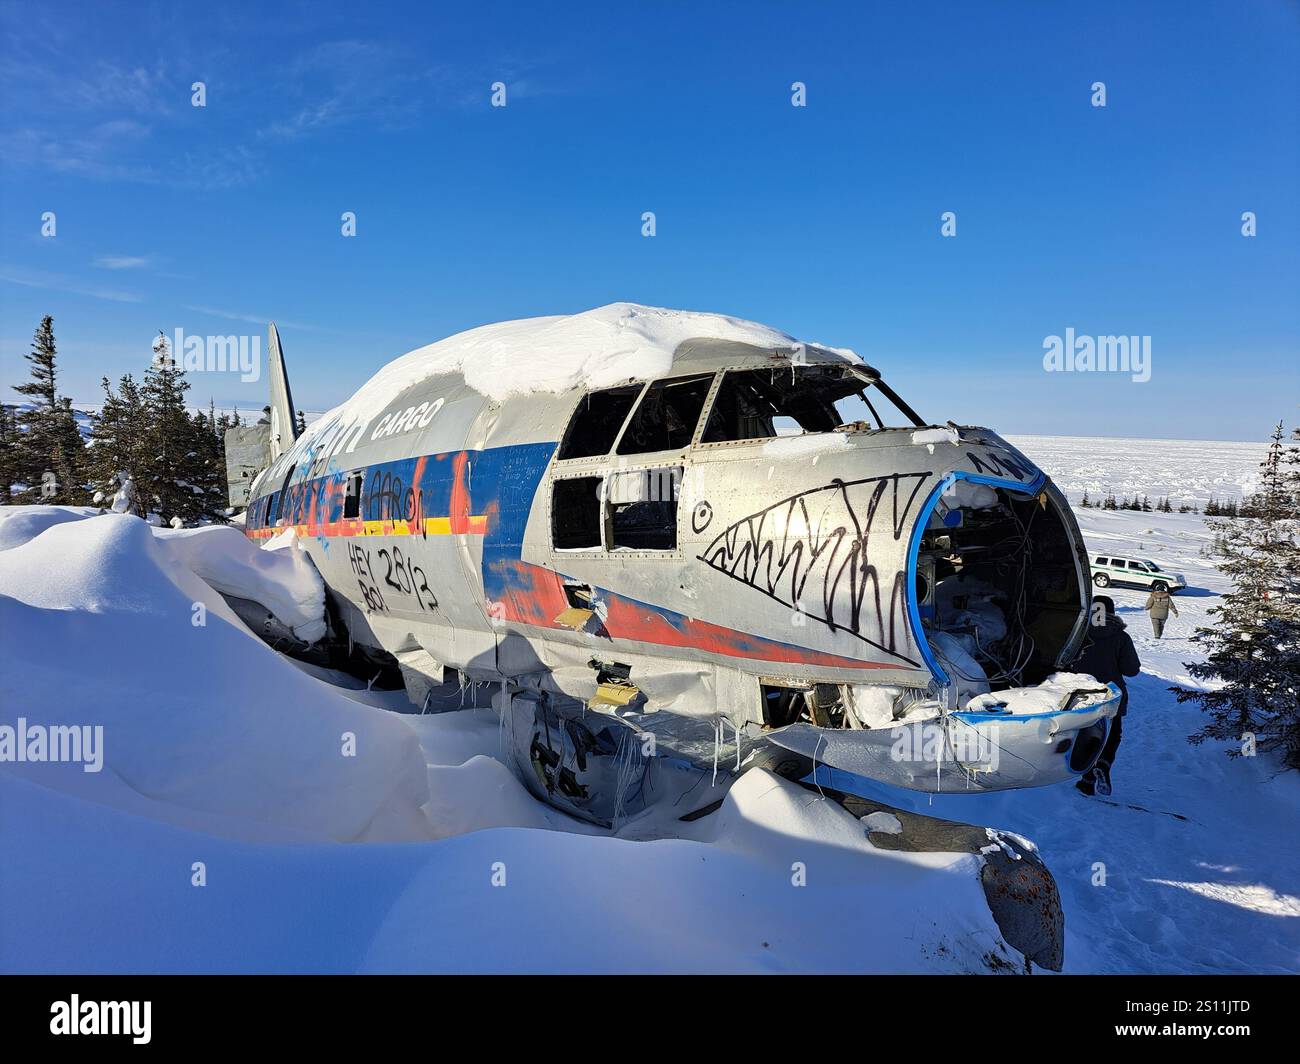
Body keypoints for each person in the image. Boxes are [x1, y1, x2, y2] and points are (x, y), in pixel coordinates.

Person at [1072, 595, 1140, 796]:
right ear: (1111, 611)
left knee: (1085, 734)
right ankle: (1101, 764)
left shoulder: (1078, 632)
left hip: (1080, 693)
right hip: (1112, 694)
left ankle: (1084, 778)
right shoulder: (1120, 637)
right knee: (1112, 734)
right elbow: (1131, 670)